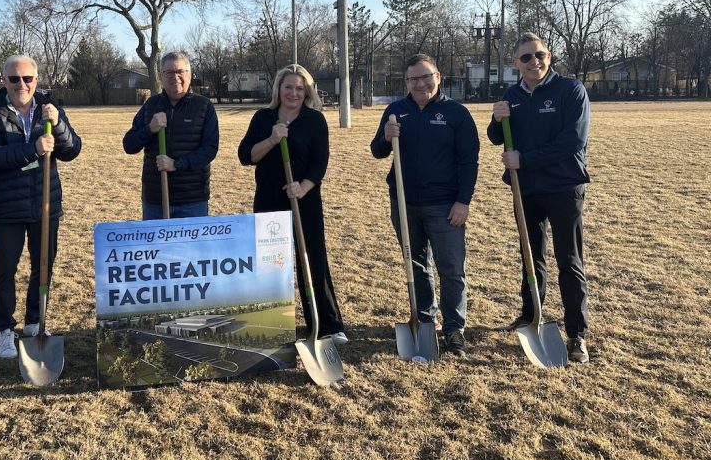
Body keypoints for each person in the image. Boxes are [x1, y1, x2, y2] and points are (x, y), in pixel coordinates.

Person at [486, 32, 592, 363]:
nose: (535, 62)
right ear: (515, 63)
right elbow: (496, 138)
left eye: (540, 55)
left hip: (564, 187)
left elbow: (572, 140)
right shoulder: (512, 94)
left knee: (569, 260)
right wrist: (496, 119)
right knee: (531, 256)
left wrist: (525, 160)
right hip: (526, 189)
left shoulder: (570, 90)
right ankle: (531, 315)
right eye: (527, 57)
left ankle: (577, 334)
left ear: (550, 56)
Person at [370, 54, 479, 356]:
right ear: (406, 82)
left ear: (438, 77)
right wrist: (385, 138)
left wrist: (463, 202)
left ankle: (454, 329)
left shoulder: (456, 113)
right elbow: (377, 151)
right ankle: (425, 321)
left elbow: (469, 161)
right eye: (413, 79)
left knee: (451, 269)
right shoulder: (396, 111)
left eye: (425, 77)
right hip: (404, 203)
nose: (420, 84)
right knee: (415, 265)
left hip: (444, 206)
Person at [0, 55, 82, 359]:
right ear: (4, 81)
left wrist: (58, 124)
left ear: (36, 80)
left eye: (27, 79)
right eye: (14, 79)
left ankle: (35, 320)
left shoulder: (49, 108)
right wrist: (32, 149)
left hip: (45, 204)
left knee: (43, 266)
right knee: (4, 270)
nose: (21, 84)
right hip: (7, 206)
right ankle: (5, 328)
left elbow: (72, 150)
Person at [237, 64, 347, 344]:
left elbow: (320, 162)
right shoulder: (263, 117)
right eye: (288, 87)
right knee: (271, 262)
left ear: (307, 91)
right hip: (269, 199)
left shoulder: (314, 120)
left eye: (300, 88)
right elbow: (246, 155)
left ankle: (327, 324)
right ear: (279, 88)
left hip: (304, 201)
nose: (294, 93)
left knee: (312, 259)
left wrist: (303, 187)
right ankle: (273, 323)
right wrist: (272, 139)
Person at [122, 51, 219, 219]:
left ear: (189, 75)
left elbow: (209, 149)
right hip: (155, 200)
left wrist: (176, 164)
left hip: (192, 200)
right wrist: (150, 129)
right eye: (169, 72)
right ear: (161, 77)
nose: (175, 77)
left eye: (180, 71)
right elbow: (129, 145)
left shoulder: (203, 106)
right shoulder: (151, 105)